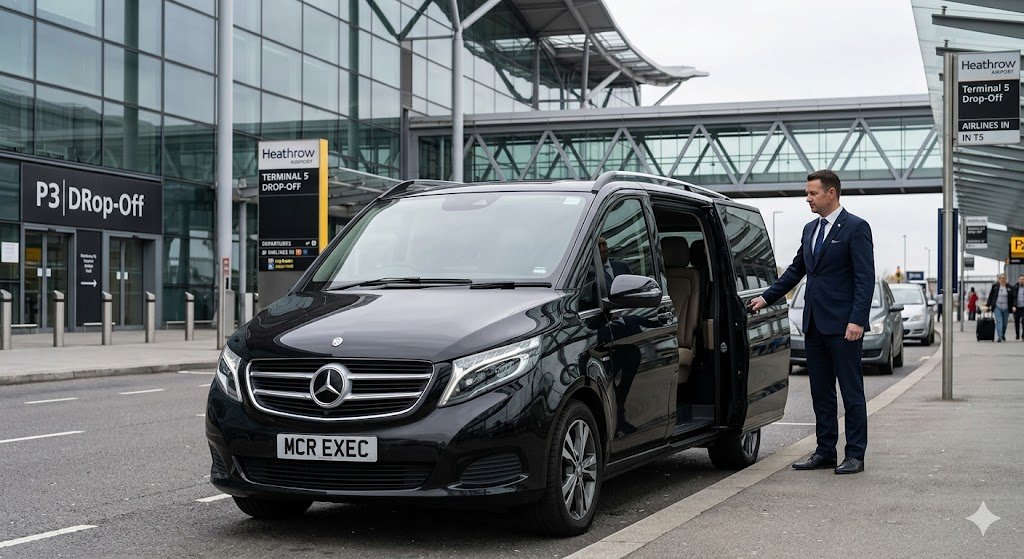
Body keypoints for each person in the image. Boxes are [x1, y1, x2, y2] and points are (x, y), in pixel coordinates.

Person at [748, 169, 874, 475]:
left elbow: (864, 278)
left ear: (831, 193)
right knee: (821, 392)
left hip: (845, 327)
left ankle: (855, 455)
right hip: (814, 325)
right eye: (807, 193)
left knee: (851, 392)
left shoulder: (855, 228)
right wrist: (766, 298)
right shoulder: (809, 230)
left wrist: (857, 319)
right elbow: (795, 271)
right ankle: (825, 451)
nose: (808, 198)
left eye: (813, 193)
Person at [985, 273, 1012, 342]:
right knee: (999, 322)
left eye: (1004, 278)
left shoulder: (1009, 287)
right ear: (998, 279)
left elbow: (1013, 297)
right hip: (997, 306)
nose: (1002, 280)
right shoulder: (995, 286)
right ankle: (1000, 337)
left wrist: (1013, 305)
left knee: (1005, 323)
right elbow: (991, 296)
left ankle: (1002, 335)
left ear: (1006, 279)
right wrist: (988, 305)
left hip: (1006, 307)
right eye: (1001, 278)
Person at [1014, 275, 1024, 341]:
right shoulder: (1015, 287)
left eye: (1023, 279)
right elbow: (1012, 297)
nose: (1022, 280)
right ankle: (1017, 336)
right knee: (1016, 322)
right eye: (1020, 279)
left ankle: (1023, 336)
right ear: (1018, 280)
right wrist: (1013, 306)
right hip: (1017, 307)